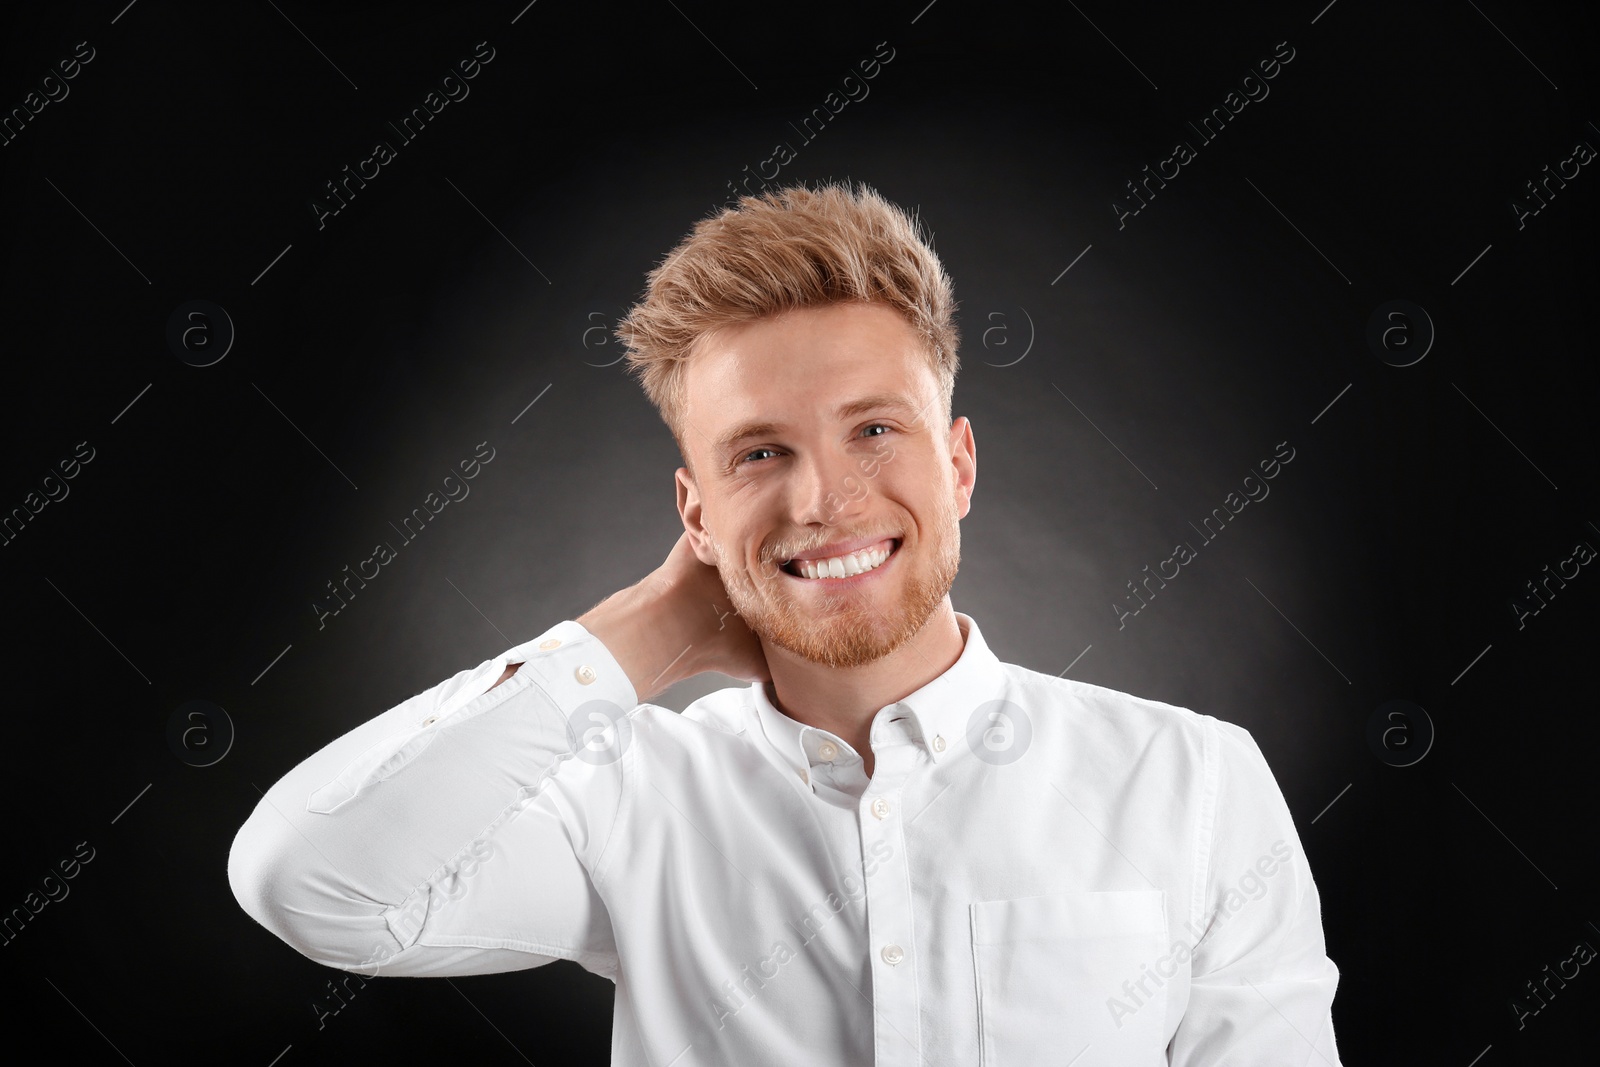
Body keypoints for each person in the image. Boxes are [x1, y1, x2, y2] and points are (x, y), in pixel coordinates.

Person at [228, 182, 1343, 1064]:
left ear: (957, 463)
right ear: (695, 511)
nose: (822, 499)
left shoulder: (1193, 780)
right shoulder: (630, 798)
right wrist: (647, 631)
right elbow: (309, 881)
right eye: (760, 452)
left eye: (873, 430)